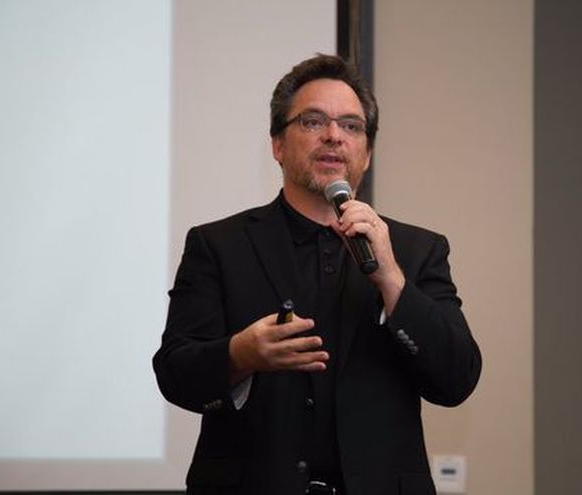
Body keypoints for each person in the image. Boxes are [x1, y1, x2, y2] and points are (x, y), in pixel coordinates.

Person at [153, 54, 481, 495]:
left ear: (367, 152)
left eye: (351, 126)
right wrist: (240, 354)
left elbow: (456, 380)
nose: (333, 136)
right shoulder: (218, 245)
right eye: (312, 121)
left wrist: (391, 279)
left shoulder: (417, 251)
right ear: (277, 144)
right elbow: (174, 374)